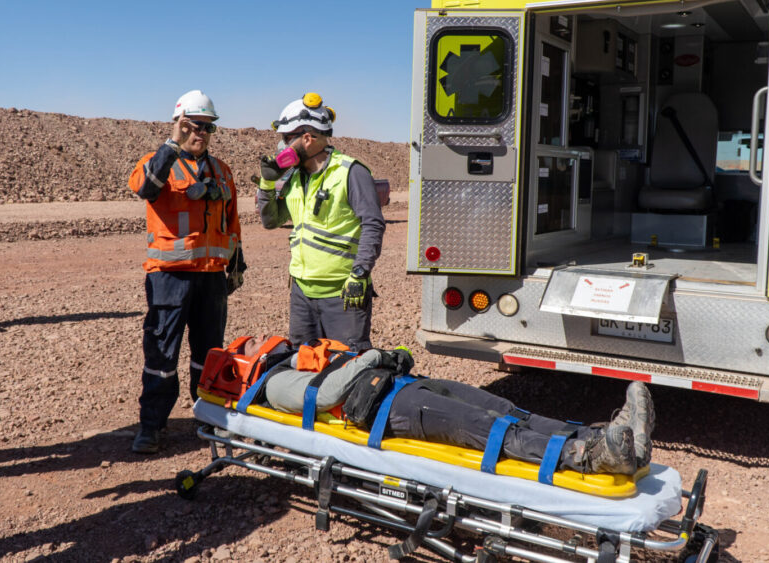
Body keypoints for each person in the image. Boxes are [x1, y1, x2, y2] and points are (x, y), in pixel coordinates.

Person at [263, 346, 656, 475]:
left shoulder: (303, 357)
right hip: (391, 408)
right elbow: (324, 396)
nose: (262, 338)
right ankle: (588, 457)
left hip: (406, 388)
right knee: (487, 427)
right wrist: (372, 356)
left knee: (508, 410)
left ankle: (602, 438)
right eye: (252, 343)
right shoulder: (273, 383)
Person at [127, 90, 245, 454]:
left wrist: (236, 263)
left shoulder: (221, 171)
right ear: (179, 124)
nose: (202, 133)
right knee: (162, 354)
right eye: (194, 125)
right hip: (169, 277)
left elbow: (232, 221)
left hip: (211, 278)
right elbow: (146, 188)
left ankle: (208, 418)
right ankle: (152, 426)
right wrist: (172, 143)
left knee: (209, 353)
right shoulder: (157, 162)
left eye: (208, 127)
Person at [257, 93, 385, 351]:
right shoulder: (295, 177)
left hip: (343, 293)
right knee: (303, 363)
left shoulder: (350, 172)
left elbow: (373, 224)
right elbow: (270, 221)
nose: (281, 146)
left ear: (307, 138)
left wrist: (360, 273)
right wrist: (267, 182)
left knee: (346, 365)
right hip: (302, 294)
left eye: (286, 138)